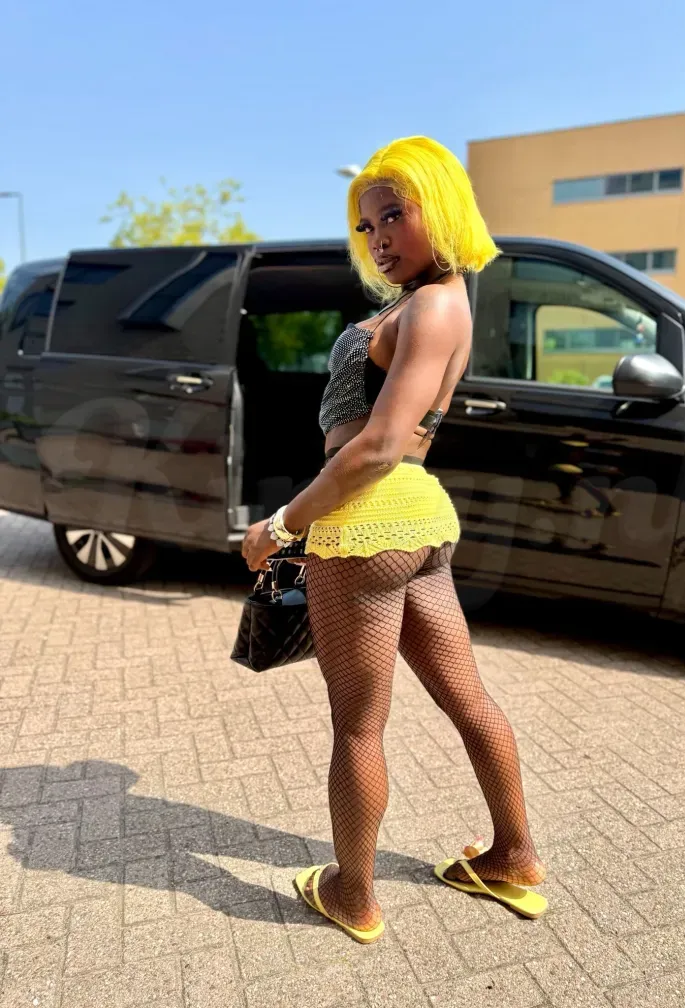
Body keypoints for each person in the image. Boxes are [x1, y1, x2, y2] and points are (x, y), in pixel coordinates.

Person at [241, 136, 546, 943]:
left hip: (367, 520)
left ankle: (352, 893)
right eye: (366, 224)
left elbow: (378, 446)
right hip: (413, 522)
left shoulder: (435, 303)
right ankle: (513, 857)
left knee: (358, 726)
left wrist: (281, 525)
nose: (377, 237)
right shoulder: (433, 302)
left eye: (393, 215)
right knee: (467, 699)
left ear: (439, 207)